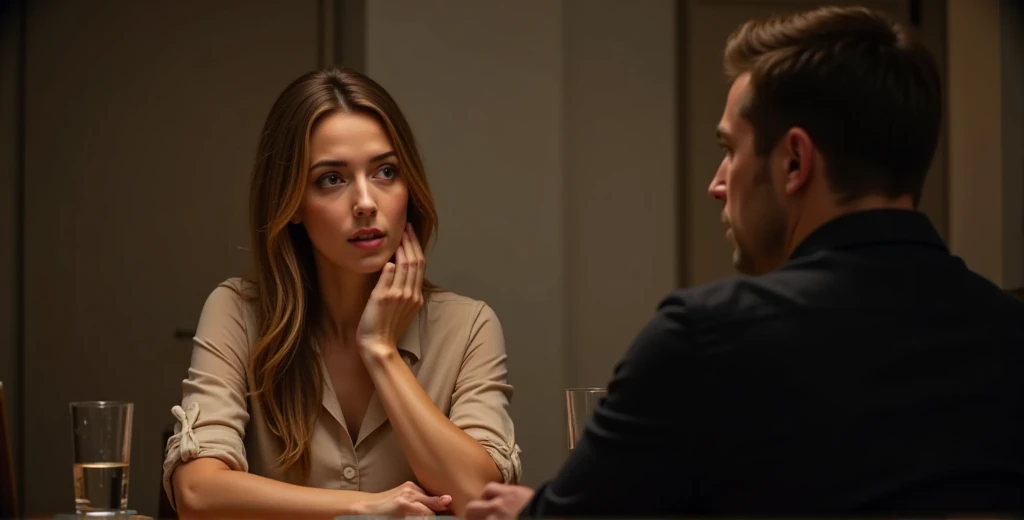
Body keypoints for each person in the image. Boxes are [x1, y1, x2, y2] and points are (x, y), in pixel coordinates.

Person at [467, 4, 1024, 518]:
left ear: (794, 162)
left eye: (730, 150)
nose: (716, 184)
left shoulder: (708, 337)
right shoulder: (1008, 333)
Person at [163, 68, 521, 519]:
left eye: (386, 172)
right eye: (332, 179)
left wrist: (381, 351)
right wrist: (365, 508)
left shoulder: (468, 326)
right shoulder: (237, 311)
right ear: (292, 202)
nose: (366, 202)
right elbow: (197, 494)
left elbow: (484, 502)